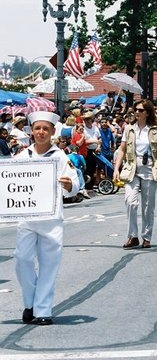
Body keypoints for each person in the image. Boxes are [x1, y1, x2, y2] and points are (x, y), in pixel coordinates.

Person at [12, 111, 80, 326]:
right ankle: (30, 303)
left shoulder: (60, 157)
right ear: (31, 131)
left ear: (52, 132)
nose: (41, 132)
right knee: (22, 259)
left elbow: (75, 183)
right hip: (27, 219)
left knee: (49, 265)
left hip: (51, 220)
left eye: (45, 129)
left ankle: (43, 310)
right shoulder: (22, 157)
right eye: (37, 128)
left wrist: (70, 186)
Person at [113, 99, 157, 249]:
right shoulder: (128, 129)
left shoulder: (155, 130)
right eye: (135, 110)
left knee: (147, 206)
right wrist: (116, 169)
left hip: (149, 166)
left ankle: (146, 237)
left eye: (140, 110)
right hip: (131, 166)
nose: (137, 112)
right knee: (130, 201)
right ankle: (132, 236)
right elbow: (122, 149)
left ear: (148, 112)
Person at [82, 111, 101, 190]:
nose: (87, 120)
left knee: (93, 168)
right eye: (85, 119)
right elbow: (84, 141)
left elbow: (99, 138)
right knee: (87, 168)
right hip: (86, 150)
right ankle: (86, 186)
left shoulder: (95, 128)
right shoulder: (83, 129)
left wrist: (99, 146)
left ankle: (91, 186)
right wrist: (95, 141)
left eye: (88, 119)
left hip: (95, 150)